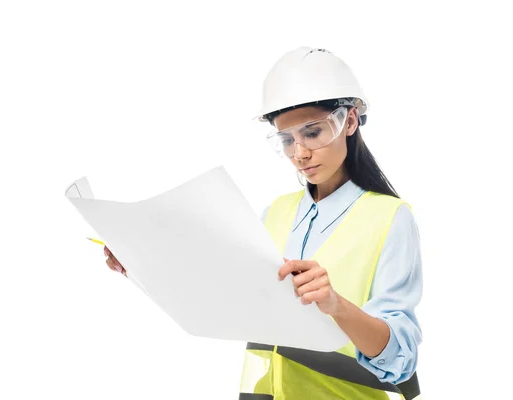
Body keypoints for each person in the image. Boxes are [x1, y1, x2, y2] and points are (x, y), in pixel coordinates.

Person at [104, 47, 423, 400]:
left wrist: (336, 304)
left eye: (312, 133)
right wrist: (139, 264)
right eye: (287, 140)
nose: (299, 153)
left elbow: (400, 362)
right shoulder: (276, 213)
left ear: (348, 121)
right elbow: (223, 300)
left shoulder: (390, 218)